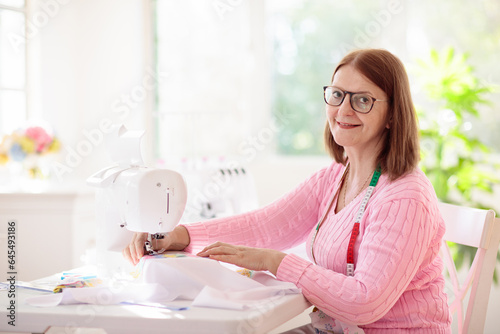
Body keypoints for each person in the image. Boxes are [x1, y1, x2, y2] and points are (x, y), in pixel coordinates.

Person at [123, 48, 452, 333]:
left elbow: (364, 303)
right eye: (337, 95)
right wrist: (178, 234)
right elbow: (264, 227)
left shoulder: (404, 197)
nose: (343, 110)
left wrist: (275, 262)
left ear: (393, 115)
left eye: (362, 100)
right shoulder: (335, 177)